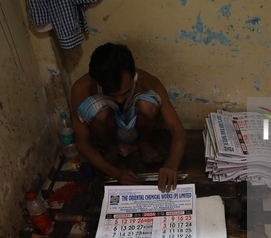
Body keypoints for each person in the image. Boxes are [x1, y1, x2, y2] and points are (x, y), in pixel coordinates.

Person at [71, 43, 186, 192]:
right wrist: (116, 173)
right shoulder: (81, 89)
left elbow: (178, 131)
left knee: (148, 104)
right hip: (107, 128)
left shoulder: (148, 82)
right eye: (112, 95)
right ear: (97, 82)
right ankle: (111, 148)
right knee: (97, 112)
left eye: (125, 93)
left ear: (133, 75)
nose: (119, 100)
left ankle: (143, 142)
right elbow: (82, 143)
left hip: (137, 127)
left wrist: (171, 166)